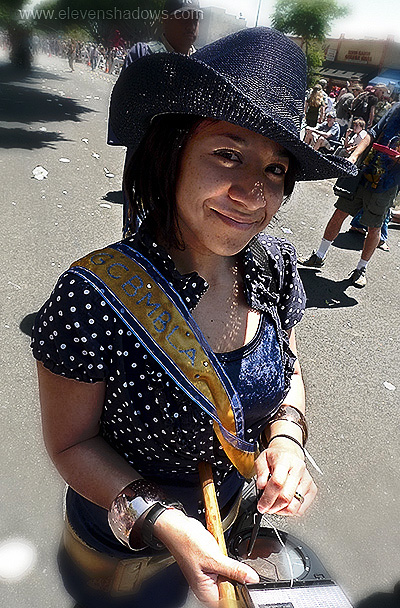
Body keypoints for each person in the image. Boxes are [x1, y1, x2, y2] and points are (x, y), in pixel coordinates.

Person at [31, 28, 355, 608]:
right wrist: (164, 521)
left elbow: (288, 366)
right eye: (228, 154)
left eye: (275, 169)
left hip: (228, 523)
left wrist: (286, 440)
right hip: (122, 549)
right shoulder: (91, 296)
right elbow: (71, 444)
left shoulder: (275, 266)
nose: (253, 192)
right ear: (172, 153)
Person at [107, 0, 203, 236]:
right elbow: (127, 106)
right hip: (147, 159)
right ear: (165, 19)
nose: (191, 25)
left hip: (187, 164)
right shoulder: (144, 54)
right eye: (184, 17)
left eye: (195, 18)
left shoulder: (202, 62)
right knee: (142, 233)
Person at [300, 102, 400, 287]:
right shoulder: (396, 108)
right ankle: (319, 256)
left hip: (387, 183)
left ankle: (361, 269)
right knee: (340, 212)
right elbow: (371, 134)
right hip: (365, 172)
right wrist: (354, 156)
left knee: (374, 227)